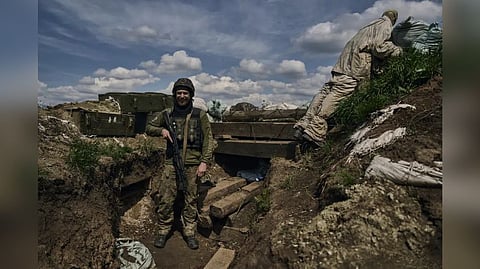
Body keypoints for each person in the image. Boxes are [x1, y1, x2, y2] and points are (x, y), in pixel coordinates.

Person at [294, 9, 403, 145]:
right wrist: (398, 50)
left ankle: (304, 124)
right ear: (394, 19)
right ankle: (316, 130)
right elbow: (379, 47)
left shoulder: (367, 26)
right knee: (338, 95)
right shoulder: (385, 25)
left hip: (342, 65)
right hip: (354, 68)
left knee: (325, 92)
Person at [146, 77, 215, 250]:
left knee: (190, 200)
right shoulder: (167, 114)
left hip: (193, 164)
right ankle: (163, 230)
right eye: (179, 93)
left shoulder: (200, 114)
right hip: (171, 163)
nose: (182, 96)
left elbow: (209, 140)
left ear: (190, 95)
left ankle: (189, 231)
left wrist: (204, 162)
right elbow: (148, 127)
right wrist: (161, 130)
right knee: (166, 198)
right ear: (175, 95)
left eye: (185, 93)